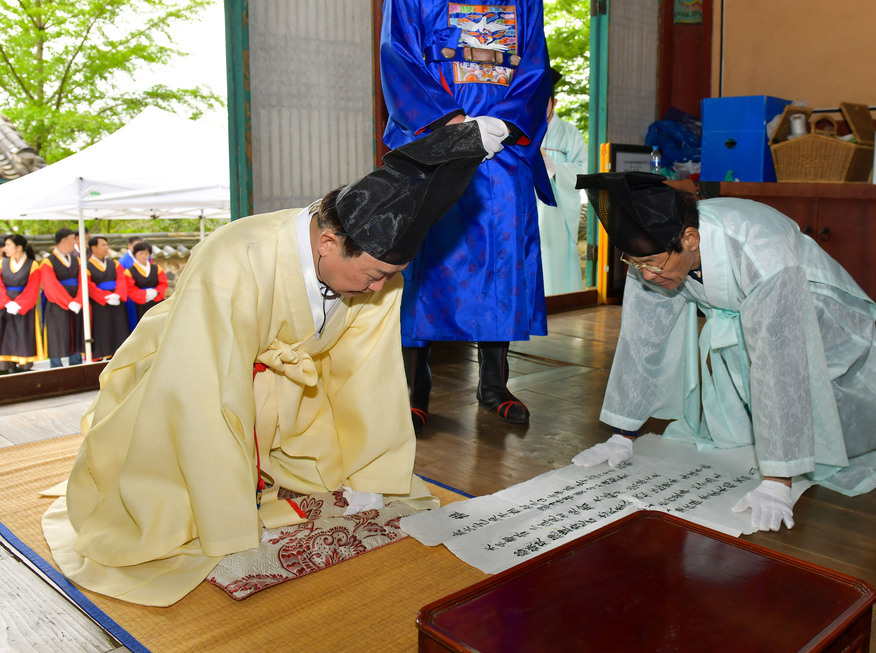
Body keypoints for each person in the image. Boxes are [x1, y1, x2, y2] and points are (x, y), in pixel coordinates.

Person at [41, 122, 489, 607]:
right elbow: (203, 392)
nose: (380, 288)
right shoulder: (235, 258)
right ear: (329, 243)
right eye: (375, 274)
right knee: (166, 509)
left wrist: (372, 476)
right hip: (183, 371)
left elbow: (367, 380)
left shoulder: (374, 281)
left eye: (391, 276)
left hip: (287, 393)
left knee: (326, 465)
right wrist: (227, 516)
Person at [571, 172, 876, 532]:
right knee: (746, 400)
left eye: (653, 264)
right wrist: (622, 435)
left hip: (815, 307)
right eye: (635, 263)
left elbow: (780, 364)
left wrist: (776, 482)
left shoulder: (760, 252)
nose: (646, 275)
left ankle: (797, 457)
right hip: (746, 313)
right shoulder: (653, 256)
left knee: (827, 415)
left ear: (690, 239)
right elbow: (642, 340)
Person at [380, 0, 555, 431]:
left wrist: (504, 125)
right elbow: (397, 52)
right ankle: (413, 389)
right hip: (436, 132)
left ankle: (494, 385)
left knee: (504, 263)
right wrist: (452, 121)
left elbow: (534, 66)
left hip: (504, 143)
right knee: (421, 260)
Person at [536, 67, 587, 295]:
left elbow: (582, 171)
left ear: (554, 102)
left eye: (543, 101)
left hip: (558, 214)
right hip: (530, 211)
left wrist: (553, 167)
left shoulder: (570, 133)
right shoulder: (523, 133)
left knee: (556, 262)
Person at [39, 228, 84, 367]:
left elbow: (83, 282)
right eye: (72, 239)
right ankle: (56, 365)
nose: (75, 242)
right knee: (56, 333)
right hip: (56, 304)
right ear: (63, 241)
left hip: (76, 302)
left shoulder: (77, 260)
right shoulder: (48, 261)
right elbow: (50, 285)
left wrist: (79, 300)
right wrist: (68, 302)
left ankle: (76, 363)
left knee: (76, 331)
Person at [0, 234, 44, 372]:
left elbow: (33, 287)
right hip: (6, 306)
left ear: (18, 248)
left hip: (23, 307)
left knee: (24, 334)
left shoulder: (32, 264)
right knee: (7, 336)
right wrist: (7, 303)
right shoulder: (3, 263)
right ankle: (8, 367)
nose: (5, 248)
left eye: (8, 245)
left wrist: (19, 304)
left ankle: (25, 366)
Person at [85, 236, 129, 360]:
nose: (106, 248)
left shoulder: (114, 263)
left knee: (119, 327)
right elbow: (88, 285)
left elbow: (121, 279)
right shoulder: (86, 266)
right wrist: (104, 297)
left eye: (106, 245)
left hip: (116, 300)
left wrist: (118, 294)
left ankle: (118, 355)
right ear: (93, 248)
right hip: (100, 303)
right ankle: (102, 354)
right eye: (102, 245)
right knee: (102, 328)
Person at [123, 242, 168, 324]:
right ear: (135, 254)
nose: (143, 256)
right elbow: (130, 289)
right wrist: (145, 295)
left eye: (146, 253)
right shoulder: (129, 271)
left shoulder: (156, 268)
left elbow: (163, 283)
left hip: (156, 300)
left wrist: (156, 292)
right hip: (139, 304)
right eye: (140, 253)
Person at [118, 236, 145, 331]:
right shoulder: (122, 261)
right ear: (129, 246)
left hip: (145, 295)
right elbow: (121, 280)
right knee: (133, 321)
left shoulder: (147, 258)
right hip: (130, 296)